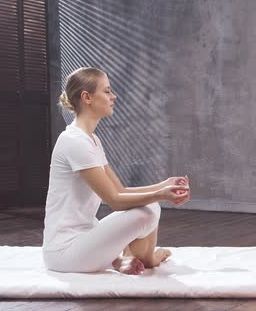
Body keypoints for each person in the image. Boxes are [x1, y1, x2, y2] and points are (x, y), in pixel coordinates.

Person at [42, 67, 191, 275]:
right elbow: (115, 200)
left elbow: (120, 189)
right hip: (65, 253)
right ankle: (143, 258)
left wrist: (164, 185)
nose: (114, 96)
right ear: (87, 97)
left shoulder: (92, 140)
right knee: (146, 213)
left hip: (87, 239)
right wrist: (162, 195)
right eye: (107, 91)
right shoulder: (74, 141)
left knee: (151, 207)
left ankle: (125, 258)